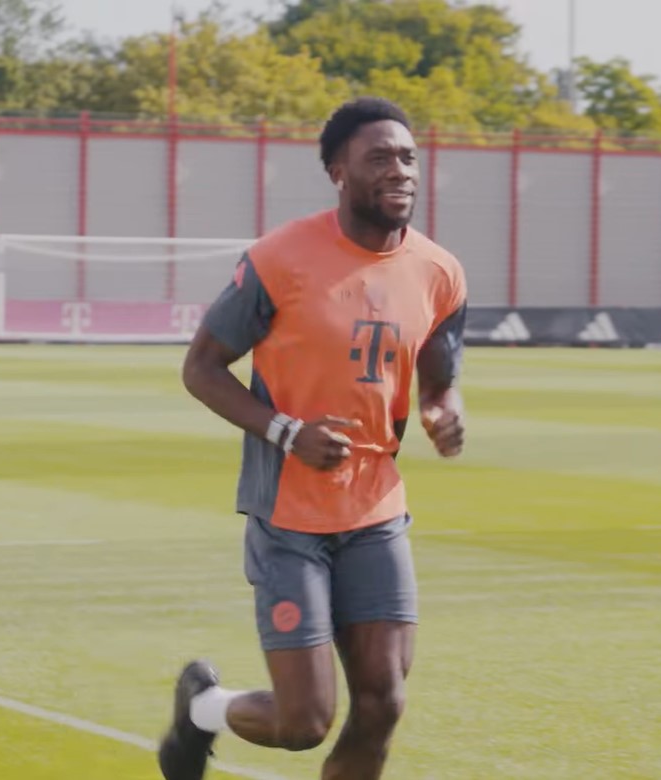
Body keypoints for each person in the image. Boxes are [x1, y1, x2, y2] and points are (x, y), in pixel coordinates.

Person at [158, 96, 467, 780]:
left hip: (376, 512)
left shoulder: (440, 272)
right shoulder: (280, 259)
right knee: (304, 723)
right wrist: (287, 431)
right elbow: (201, 367)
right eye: (379, 158)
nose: (400, 170)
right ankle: (203, 708)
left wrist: (444, 412)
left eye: (408, 157)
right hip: (288, 516)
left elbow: (439, 381)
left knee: (383, 703)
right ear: (338, 172)